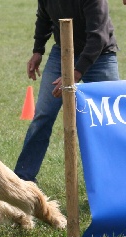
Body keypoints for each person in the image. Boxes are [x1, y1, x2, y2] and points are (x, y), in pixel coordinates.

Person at [14, 0, 119, 182]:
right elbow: (44, 18)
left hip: (101, 56)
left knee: (110, 121)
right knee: (43, 116)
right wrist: (38, 50)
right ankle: (23, 179)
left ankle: (115, 183)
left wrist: (74, 73)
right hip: (62, 53)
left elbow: (98, 37)